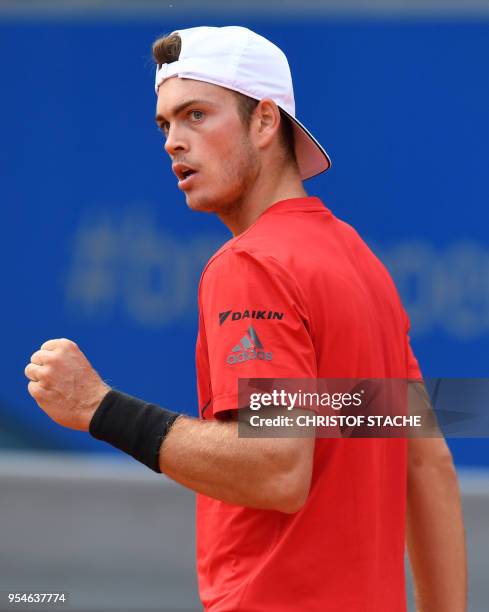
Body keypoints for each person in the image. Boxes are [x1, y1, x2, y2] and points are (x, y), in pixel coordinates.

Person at [25, 26, 466, 611]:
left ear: (264, 122)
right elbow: (427, 460)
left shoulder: (250, 264)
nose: (172, 143)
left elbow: (276, 469)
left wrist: (99, 409)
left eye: (197, 115)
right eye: (165, 124)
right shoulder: (359, 260)